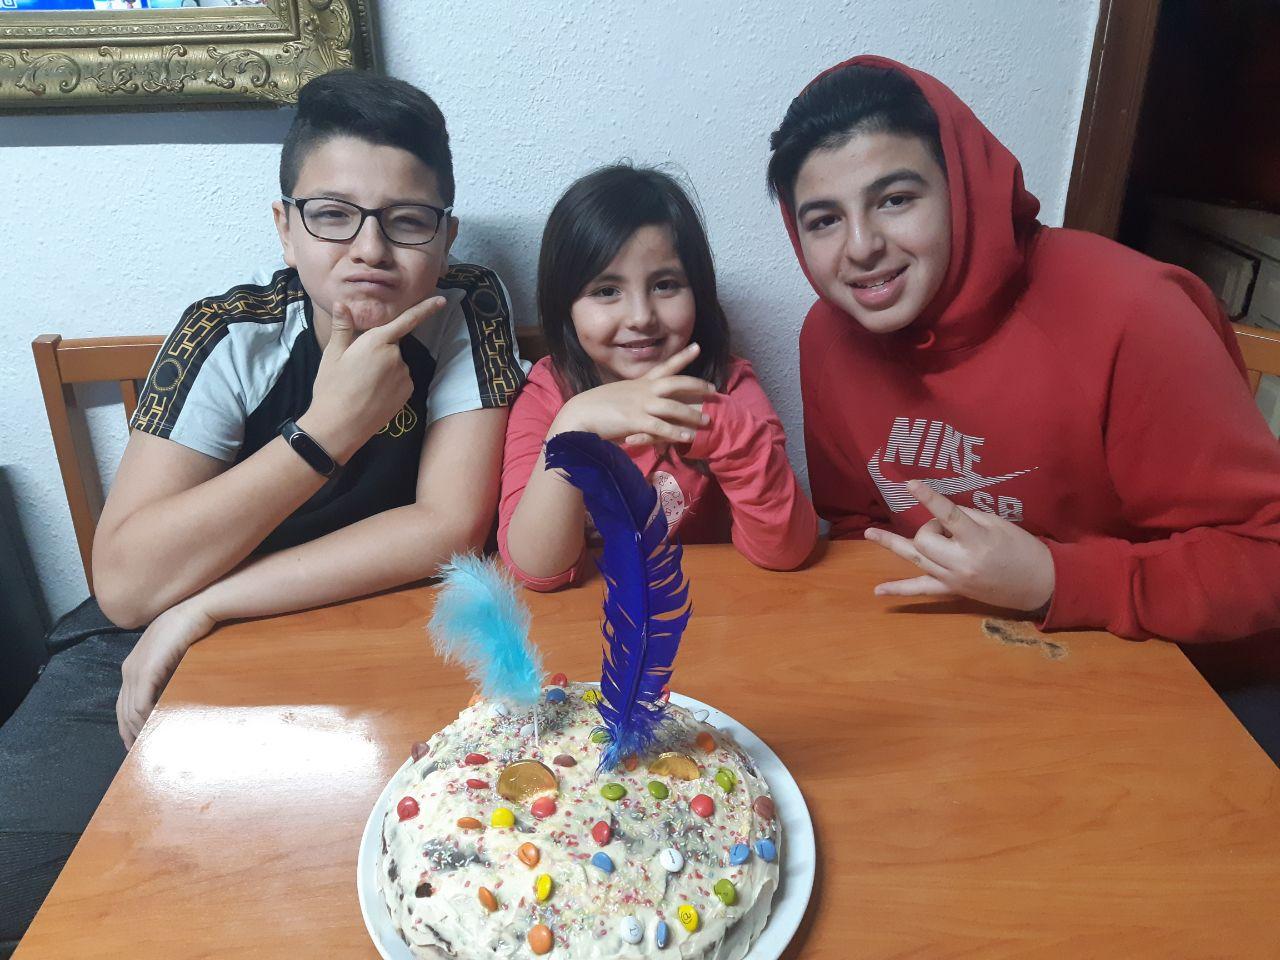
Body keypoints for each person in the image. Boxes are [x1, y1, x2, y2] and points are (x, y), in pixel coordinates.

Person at [0, 68, 526, 952]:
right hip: (142, 644)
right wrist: (325, 433)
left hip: (334, 632)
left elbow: (447, 526)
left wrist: (204, 607)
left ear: (445, 237)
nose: (370, 248)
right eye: (332, 214)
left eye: (407, 220)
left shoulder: (465, 310)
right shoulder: (229, 330)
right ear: (284, 226)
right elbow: (128, 585)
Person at [766, 55, 1280, 647]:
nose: (861, 247)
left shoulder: (1134, 312)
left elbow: (1265, 554)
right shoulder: (829, 336)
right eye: (824, 220)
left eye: (895, 199)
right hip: (955, 647)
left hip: (1150, 655)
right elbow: (860, 525)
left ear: (961, 189)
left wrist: (1054, 579)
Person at [499, 165, 816, 590]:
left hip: (711, 609)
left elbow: (788, 550)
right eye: (606, 291)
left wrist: (718, 426)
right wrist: (574, 424)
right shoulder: (547, 397)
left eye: (665, 285)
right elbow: (537, 570)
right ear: (565, 307)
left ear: (698, 291)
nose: (641, 317)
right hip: (591, 617)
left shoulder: (727, 387)